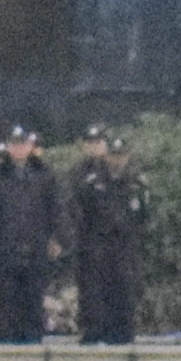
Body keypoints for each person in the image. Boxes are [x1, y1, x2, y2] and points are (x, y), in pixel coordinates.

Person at [0, 125, 62, 345]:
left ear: (30, 146)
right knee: (7, 302)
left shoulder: (44, 175)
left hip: (36, 247)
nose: (19, 149)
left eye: (23, 144)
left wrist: (57, 239)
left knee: (33, 301)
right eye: (14, 145)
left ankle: (32, 344)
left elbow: (55, 211)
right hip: (6, 249)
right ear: (8, 147)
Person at [69, 126, 146, 346]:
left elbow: (143, 217)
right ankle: (95, 335)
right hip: (97, 248)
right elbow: (80, 212)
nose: (117, 161)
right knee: (95, 294)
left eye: (121, 156)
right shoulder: (92, 182)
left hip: (124, 249)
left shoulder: (136, 184)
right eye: (113, 156)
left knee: (123, 293)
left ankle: (122, 336)